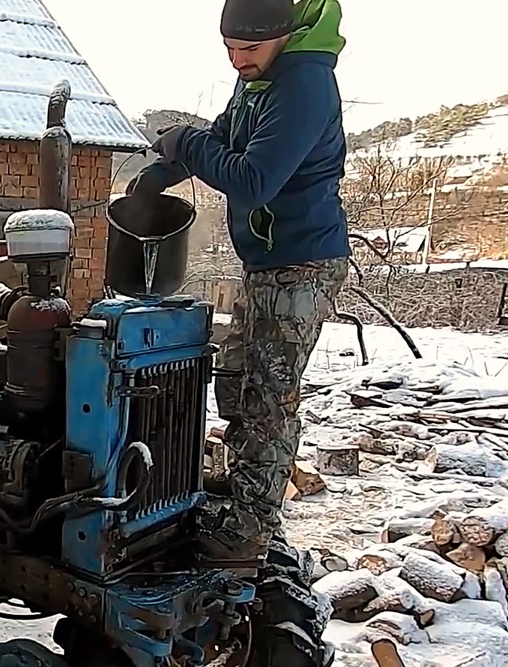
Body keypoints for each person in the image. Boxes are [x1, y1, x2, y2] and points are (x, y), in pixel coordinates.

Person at [129, 0, 351, 564]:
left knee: (267, 399)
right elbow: (227, 136)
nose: (237, 61)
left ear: (286, 35)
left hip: (302, 265)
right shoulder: (258, 78)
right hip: (266, 264)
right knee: (234, 378)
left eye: (248, 49)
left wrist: (186, 142)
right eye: (228, 49)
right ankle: (237, 492)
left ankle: (251, 532)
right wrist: (165, 171)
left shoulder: (305, 85)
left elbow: (253, 180)